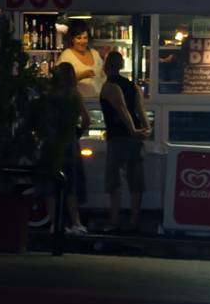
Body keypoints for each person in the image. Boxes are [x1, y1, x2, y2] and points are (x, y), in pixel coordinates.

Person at [98, 50, 149, 233]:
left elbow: (122, 110)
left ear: (106, 66)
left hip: (118, 137)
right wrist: (146, 128)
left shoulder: (109, 86)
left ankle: (114, 218)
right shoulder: (132, 86)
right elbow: (139, 110)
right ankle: (134, 219)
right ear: (121, 66)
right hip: (134, 139)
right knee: (136, 179)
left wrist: (132, 130)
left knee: (114, 180)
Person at [44, 63, 89, 236]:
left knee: (50, 184)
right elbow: (86, 120)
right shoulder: (74, 95)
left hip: (50, 142)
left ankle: (55, 223)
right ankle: (76, 222)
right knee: (71, 184)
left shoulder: (48, 95)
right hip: (69, 142)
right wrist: (76, 133)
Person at [57, 22, 104, 100]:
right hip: (76, 103)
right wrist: (80, 76)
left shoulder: (95, 54)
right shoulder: (66, 56)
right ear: (72, 39)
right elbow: (60, 81)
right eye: (79, 38)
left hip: (97, 102)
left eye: (85, 38)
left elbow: (103, 76)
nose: (82, 41)